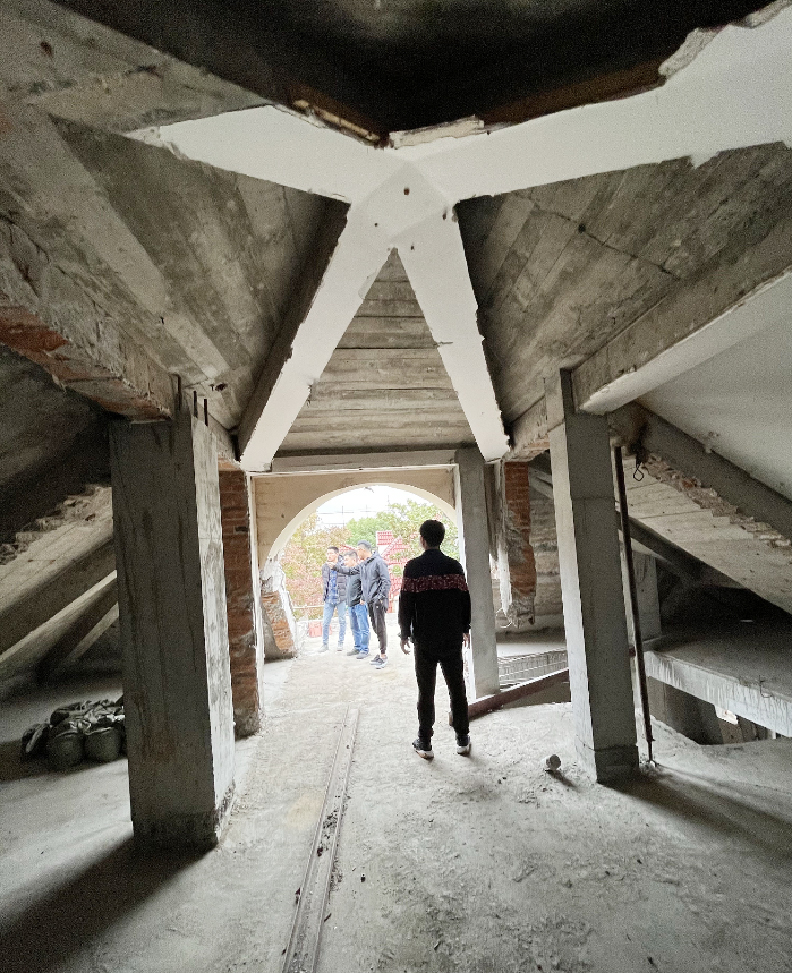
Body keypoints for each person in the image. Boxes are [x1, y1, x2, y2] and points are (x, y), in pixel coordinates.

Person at [398, 519, 471, 759]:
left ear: (422, 540)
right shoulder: (454, 566)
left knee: (426, 690)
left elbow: (406, 603)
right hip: (451, 636)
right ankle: (462, 739)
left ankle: (425, 742)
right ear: (441, 538)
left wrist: (404, 633)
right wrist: (465, 627)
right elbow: (464, 599)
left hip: (424, 639)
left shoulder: (413, 568)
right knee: (457, 687)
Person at [336, 540, 391, 668]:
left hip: (377, 601)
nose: (357, 553)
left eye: (357, 550)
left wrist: (380, 597)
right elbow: (350, 570)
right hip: (371, 601)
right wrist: (335, 567)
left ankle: (383, 655)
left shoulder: (378, 562)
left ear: (362, 550)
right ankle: (381, 653)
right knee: (376, 628)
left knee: (380, 628)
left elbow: (386, 581)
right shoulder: (363, 565)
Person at [342, 549, 370, 659]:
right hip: (350, 604)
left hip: (359, 603)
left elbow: (366, 585)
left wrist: (363, 598)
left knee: (363, 627)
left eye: (346, 560)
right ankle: (357, 647)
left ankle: (364, 649)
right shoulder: (348, 573)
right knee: (354, 627)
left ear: (354, 560)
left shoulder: (360, 571)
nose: (344, 562)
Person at [321, 546, 348, 652]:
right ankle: (325, 644)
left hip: (341, 597)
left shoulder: (343, 565)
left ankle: (341, 643)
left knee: (342, 620)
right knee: (325, 622)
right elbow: (325, 582)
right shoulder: (325, 566)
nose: (328, 555)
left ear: (337, 554)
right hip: (329, 598)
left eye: (330, 553)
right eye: (327, 553)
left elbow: (347, 580)